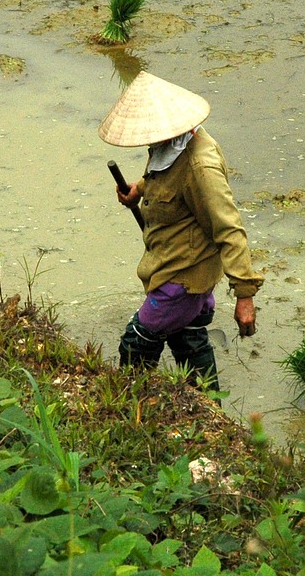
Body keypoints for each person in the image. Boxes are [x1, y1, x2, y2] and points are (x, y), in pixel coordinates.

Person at [98, 71, 264, 391]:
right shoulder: (169, 144)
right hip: (169, 261)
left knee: (137, 343)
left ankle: (133, 408)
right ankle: (212, 415)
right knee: (188, 338)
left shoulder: (201, 165)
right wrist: (139, 190)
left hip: (182, 278)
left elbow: (229, 229)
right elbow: (164, 176)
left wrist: (245, 296)